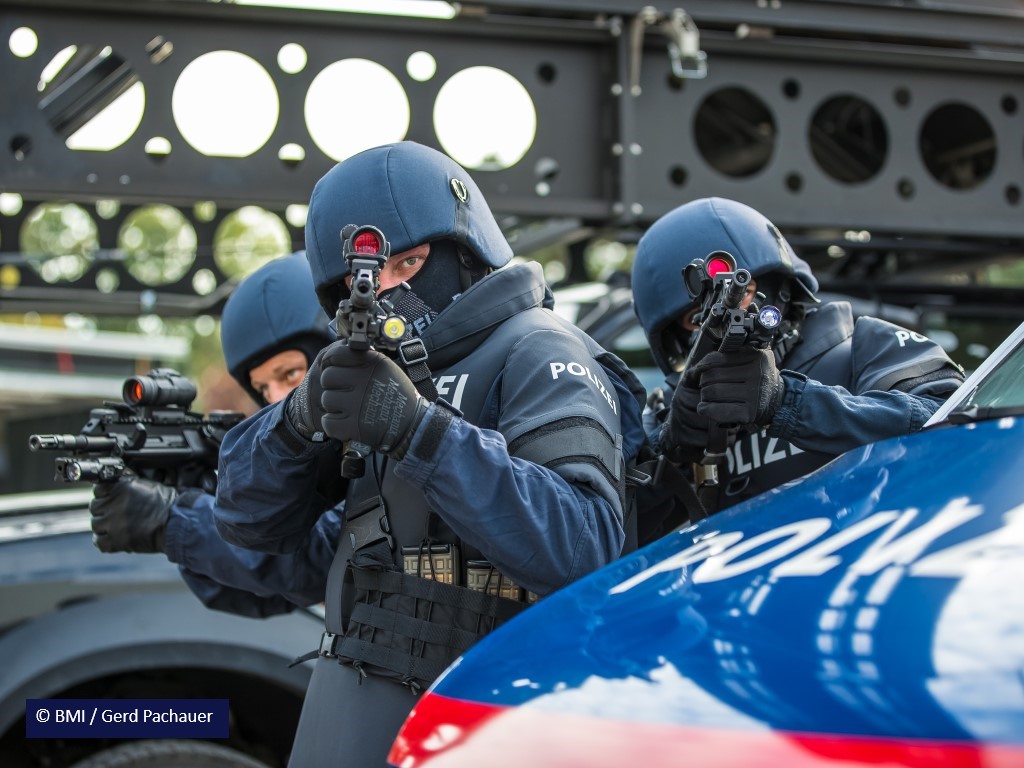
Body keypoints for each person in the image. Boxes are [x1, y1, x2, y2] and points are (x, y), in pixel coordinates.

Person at [212, 141, 648, 767]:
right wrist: (298, 417)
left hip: (486, 719)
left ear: (465, 251)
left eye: (408, 264)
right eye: (360, 282)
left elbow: (583, 545)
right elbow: (250, 523)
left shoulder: (537, 348)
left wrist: (420, 432)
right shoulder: (373, 369)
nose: (385, 292)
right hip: (348, 709)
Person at [631, 196, 965, 517]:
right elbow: (603, 532)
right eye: (694, 319)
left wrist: (787, 402)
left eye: (744, 292)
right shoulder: (672, 414)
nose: (723, 316)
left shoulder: (866, 347)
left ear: (784, 288)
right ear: (675, 340)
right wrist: (672, 451)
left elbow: (961, 435)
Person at [88, 252, 340, 618]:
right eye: (262, 388)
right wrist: (199, 496)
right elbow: (259, 595)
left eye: (289, 375)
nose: (275, 400)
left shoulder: (387, 441)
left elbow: (323, 558)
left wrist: (173, 519)